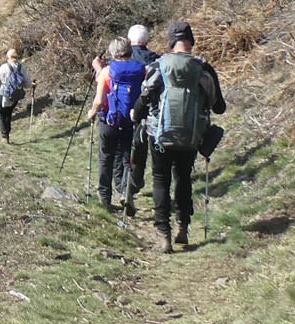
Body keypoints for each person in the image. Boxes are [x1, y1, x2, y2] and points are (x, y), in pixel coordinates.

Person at [132, 21, 227, 253]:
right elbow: (219, 108)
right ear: (191, 42)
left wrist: (137, 113)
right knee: (183, 177)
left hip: (159, 135)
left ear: (171, 42)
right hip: (191, 135)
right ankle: (182, 225)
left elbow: (145, 98)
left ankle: (163, 234)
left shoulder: (159, 66)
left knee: (160, 180)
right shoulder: (203, 69)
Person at [87, 37, 145, 210]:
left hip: (109, 121)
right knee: (128, 159)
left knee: (106, 157)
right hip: (131, 121)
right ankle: (125, 192)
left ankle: (105, 197)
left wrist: (91, 113)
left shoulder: (107, 71)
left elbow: (99, 100)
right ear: (130, 51)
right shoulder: (141, 70)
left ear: (113, 52)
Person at [125, 23, 160, 215]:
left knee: (133, 150)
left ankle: (131, 185)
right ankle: (154, 189)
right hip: (153, 114)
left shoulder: (125, 59)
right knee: (151, 152)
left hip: (129, 112)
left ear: (130, 40)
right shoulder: (156, 60)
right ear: (146, 41)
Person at [0, 48, 29, 144]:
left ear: (8, 57)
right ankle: (7, 134)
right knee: (8, 114)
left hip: (3, 94)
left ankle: (4, 136)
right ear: (17, 57)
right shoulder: (22, 68)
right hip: (15, 95)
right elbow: (27, 84)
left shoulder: (4, 67)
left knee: (1, 114)